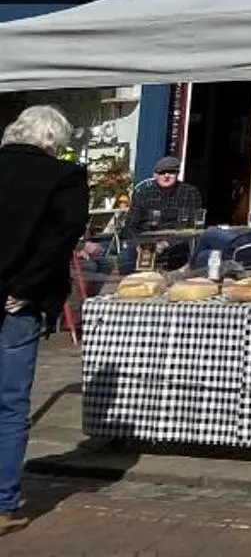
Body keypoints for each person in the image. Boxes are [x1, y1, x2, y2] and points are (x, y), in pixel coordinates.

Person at [0, 109, 87, 530]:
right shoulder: (65, 178)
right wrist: (25, 289)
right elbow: (58, 240)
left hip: (18, 298)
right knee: (11, 406)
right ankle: (2, 503)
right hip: (20, 304)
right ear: (54, 138)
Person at [121, 154, 205, 271]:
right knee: (126, 259)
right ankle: (131, 286)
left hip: (175, 241)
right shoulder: (143, 193)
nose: (166, 176)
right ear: (155, 175)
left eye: (171, 172)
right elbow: (129, 226)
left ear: (177, 174)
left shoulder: (190, 193)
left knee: (182, 252)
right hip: (145, 241)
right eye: (162, 172)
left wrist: (166, 243)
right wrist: (139, 245)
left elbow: (192, 227)